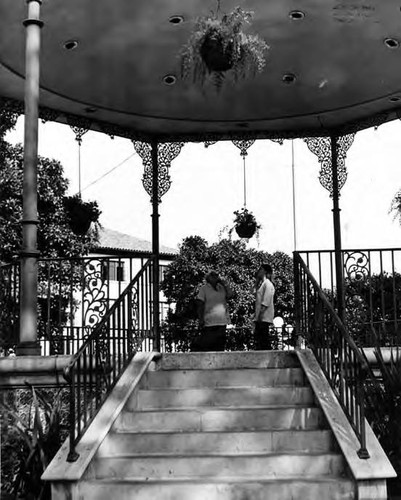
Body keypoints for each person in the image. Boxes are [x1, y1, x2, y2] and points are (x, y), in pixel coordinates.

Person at [193, 270, 233, 351]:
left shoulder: (221, 288)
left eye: (216, 275)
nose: (215, 277)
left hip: (222, 322)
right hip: (210, 323)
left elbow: (230, 295)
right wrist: (201, 319)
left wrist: (225, 283)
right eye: (213, 275)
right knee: (209, 347)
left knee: (220, 347)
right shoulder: (204, 288)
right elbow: (200, 303)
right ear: (209, 278)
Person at [254, 263, 275, 350]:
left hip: (263, 316)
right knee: (260, 339)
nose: (258, 271)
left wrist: (259, 316)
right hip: (260, 316)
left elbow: (265, 302)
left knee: (263, 340)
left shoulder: (268, 284)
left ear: (265, 271)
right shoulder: (263, 284)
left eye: (260, 269)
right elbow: (253, 291)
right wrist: (257, 281)